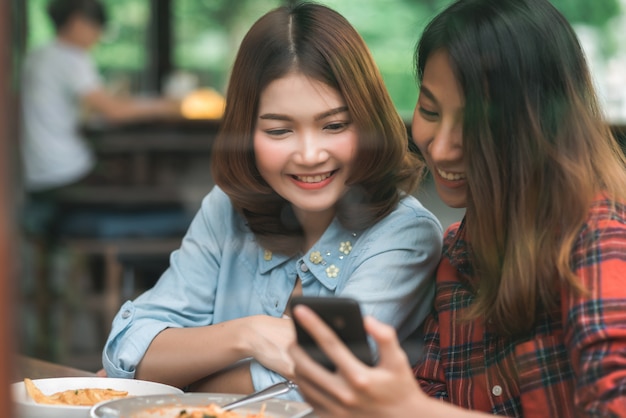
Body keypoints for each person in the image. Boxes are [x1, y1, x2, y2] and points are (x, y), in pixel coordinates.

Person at [289, 0, 626, 415]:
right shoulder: (459, 251)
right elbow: (430, 395)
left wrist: (410, 408)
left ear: (539, 127)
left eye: (474, 126)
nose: (442, 147)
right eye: (429, 111)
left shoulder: (601, 240)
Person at [101, 2, 443, 402]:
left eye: (334, 125)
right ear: (246, 132)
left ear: (367, 121)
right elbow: (127, 349)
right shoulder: (226, 210)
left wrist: (176, 380)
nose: (310, 154)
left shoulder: (404, 234)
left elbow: (315, 387)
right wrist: (249, 335)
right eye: (280, 130)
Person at [20, 0, 180, 198]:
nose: (98, 36)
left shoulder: (38, 54)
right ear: (78, 23)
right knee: (145, 185)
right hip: (62, 167)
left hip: (34, 169)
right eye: (97, 27)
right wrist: (165, 106)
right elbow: (114, 111)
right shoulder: (71, 57)